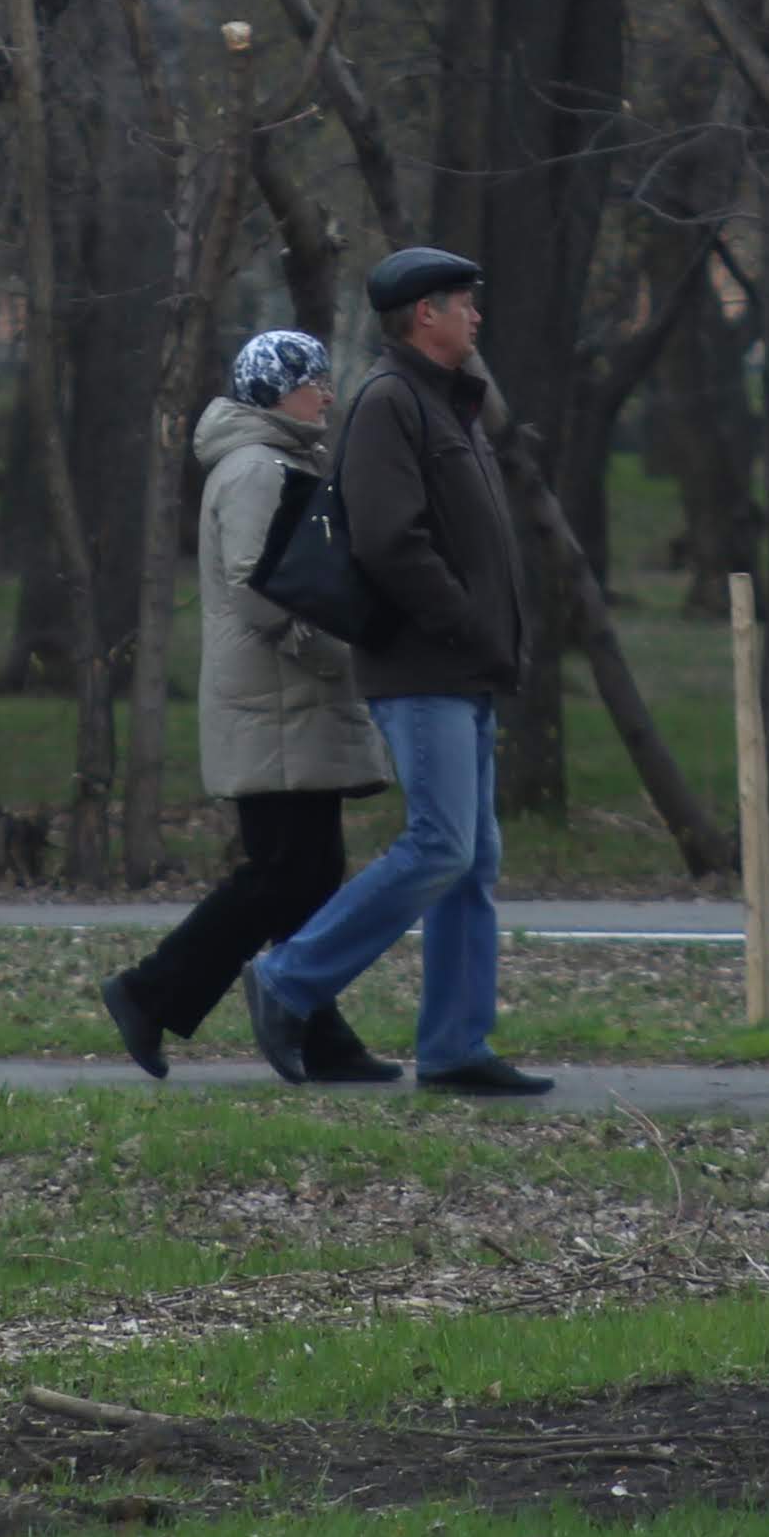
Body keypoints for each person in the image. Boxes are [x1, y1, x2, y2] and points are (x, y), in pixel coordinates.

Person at [241, 246, 554, 1097]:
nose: (476, 314)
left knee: (471, 858)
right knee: (441, 843)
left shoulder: (449, 401)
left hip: (466, 665)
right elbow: (388, 540)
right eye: (464, 301)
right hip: (424, 664)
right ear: (426, 314)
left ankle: (454, 1047)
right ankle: (287, 977)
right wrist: (463, 619)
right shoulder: (390, 401)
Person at [96, 331, 402, 1083]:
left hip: (288, 702)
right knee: (282, 872)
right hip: (276, 702)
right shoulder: (256, 468)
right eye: (311, 381)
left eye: (326, 379)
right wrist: (337, 653)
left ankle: (320, 1037)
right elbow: (261, 590)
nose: (326, 393)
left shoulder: (281, 461)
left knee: (308, 873)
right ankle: (148, 991)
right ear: (272, 390)